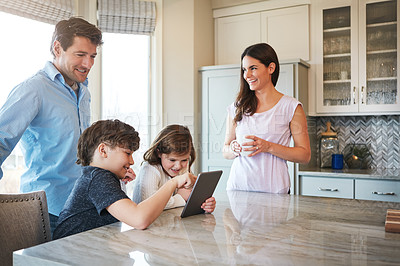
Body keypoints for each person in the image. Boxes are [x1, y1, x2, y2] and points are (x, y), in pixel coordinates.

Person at [0, 17, 103, 233]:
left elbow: (80, 148)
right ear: (58, 48)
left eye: (92, 56)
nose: (89, 64)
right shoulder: (33, 89)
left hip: (82, 205)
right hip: (48, 210)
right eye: (80, 55)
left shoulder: (83, 90)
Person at [53, 119, 196, 239]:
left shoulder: (97, 176)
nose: (132, 161)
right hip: (68, 254)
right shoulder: (98, 178)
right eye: (127, 153)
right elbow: (139, 220)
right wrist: (174, 183)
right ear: (103, 150)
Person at [222, 43, 311, 194]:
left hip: (274, 191)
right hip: (238, 189)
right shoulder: (237, 107)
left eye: (253, 68)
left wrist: (268, 147)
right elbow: (225, 150)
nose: (247, 75)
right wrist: (233, 148)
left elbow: (305, 155)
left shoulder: (291, 107)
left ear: (271, 68)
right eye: (244, 69)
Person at [132, 124, 216, 213]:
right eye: (172, 160)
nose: (178, 166)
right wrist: (180, 198)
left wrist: (204, 204)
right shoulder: (150, 169)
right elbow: (150, 205)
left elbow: (189, 196)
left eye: (184, 160)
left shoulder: (182, 169)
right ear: (159, 153)